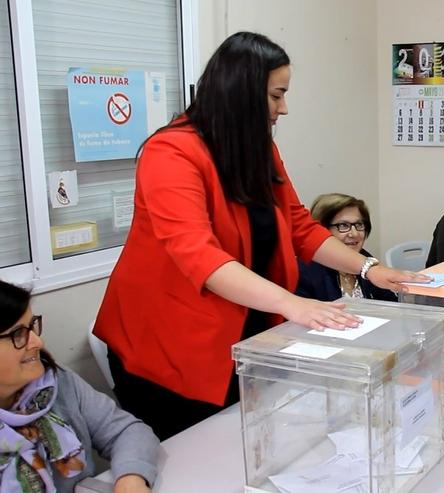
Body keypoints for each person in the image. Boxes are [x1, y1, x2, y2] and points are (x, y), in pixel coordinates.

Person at [93, 32, 426, 441]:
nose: (284, 108)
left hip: (245, 332)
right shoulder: (171, 153)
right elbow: (199, 255)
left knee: (247, 444)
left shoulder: (257, 149)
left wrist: (369, 268)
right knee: (196, 457)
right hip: (169, 345)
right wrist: (293, 304)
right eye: (276, 95)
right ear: (240, 93)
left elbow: (299, 227)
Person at [0, 280, 158, 493]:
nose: (37, 342)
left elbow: (126, 431)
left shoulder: (56, 381)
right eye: (18, 334)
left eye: (32, 326)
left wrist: (131, 479)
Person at [296, 193, 397, 302]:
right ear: (321, 229)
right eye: (343, 226)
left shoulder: (365, 259)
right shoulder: (304, 271)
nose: (354, 234)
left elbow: (390, 302)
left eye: (359, 225)